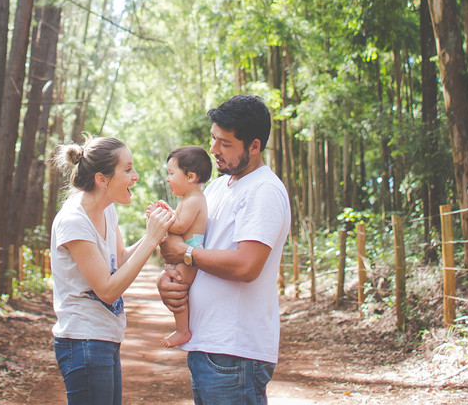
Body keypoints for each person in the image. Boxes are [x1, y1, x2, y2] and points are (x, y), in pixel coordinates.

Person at [157, 94, 291, 405]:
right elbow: (196, 248)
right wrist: (169, 283)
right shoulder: (216, 187)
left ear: (254, 146)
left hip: (235, 352)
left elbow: (246, 266)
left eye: (225, 144)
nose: (214, 150)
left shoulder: (264, 191)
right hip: (209, 346)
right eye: (213, 139)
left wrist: (185, 254)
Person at [49, 133, 176, 405]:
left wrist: (156, 231)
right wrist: (151, 240)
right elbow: (107, 290)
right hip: (83, 340)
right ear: (102, 179)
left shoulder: (107, 210)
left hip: (104, 336)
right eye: (127, 169)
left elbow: (119, 259)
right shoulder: (73, 221)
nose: (136, 176)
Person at [159, 145, 212, 348]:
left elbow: (180, 225)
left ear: (190, 177)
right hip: (186, 249)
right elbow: (179, 220)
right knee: (175, 284)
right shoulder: (188, 198)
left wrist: (162, 219)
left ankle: (183, 330)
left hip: (191, 248)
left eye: (171, 173)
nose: (168, 178)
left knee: (178, 286)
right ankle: (182, 329)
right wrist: (168, 211)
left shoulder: (195, 199)